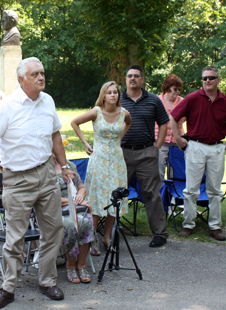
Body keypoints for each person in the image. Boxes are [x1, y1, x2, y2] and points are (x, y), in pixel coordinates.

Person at [0, 57, 74, 309]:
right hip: (17, 178)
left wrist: (64, 166)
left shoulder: (48, 101)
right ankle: (8, 287)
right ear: (22, 79)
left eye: (42, 73)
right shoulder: (8, 106)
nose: (41, 78)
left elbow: (55, 135)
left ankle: (47, 281)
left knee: (53, 229)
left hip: (45, 173)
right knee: (16, 237)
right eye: (35, 74)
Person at [170, 66, 226, 241]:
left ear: (218, 80)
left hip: (216, 148)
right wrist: (178, 137)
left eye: (211, 78)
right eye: (205, 78)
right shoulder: (192, 98)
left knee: (215, 190)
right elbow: (174, 116)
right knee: (191, 189)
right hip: (195, 146)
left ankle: (215, 227)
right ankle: (188, 224)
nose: (208, 81)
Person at [71, 81, 132, 252]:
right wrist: (85, 143)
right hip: (98, 160)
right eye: (109, 92)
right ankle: (92, 239)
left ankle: (107, 237)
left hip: (117, 162)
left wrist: (120, 139)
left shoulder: (124, 113)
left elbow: (129, 123)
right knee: (97, 199)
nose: (113, 95)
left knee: (114, 199)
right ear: (103, 95)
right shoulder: (96, 112)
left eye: (116, 92)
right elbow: (74, 122)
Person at [120, 65, 169, 248]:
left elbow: (163, 123)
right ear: (125, 79)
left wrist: (157, 147)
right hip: (122, 153)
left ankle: (160, 234)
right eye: (129, 76)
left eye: (136, 76)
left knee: (151, 193)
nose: (132, 79)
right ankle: (110, 232)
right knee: (115, 192)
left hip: (147, 152)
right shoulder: (117, 100)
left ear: (142, 80)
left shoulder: (153, 100)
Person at [53, 156, 94, 284]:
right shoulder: (43, 169)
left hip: (74, 205)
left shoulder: (69, 165)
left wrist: (80, 195)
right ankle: (70, 265)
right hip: (55, 208)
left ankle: (81, 265)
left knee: (86, 221)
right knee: (69, 224)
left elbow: (81, 186)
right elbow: (47, 198)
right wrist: (72, 202)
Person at [155, 74, 185, 184]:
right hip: (160, 142)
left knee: (175, 173)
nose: (177, 92)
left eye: (179, 89)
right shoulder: (157, 101)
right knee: (159, 172)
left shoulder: (183, 102)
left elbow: (187, 118)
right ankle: (159, 198)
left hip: (177, 143)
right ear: (167, 88)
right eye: (175, 89)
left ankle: (173, 199)